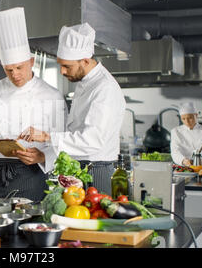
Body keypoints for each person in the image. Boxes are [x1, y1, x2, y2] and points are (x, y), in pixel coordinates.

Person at [0, 7, 67, 202]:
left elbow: (62, 140)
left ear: (31, 61)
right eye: (8, 70)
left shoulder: (52, 96)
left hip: (30, 174)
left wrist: (42, 157)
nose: (15, 75)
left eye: (19, 67)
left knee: (26, 229)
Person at [16, 23, 126, 195]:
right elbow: (74, 131)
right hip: (78, 168)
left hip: (94, 171)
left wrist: (46, 136)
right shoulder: (85, 83)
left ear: (85, 61)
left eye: (67, 66)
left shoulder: (105, 88)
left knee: (94, 221)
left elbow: (93, 141)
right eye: (60, 65)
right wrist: (45, 154)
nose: (62, 71)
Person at [170, 102, 202, 166]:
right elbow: (175, 152)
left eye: (190, 118)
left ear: (196, 115)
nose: (187, 121)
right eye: (183, 119)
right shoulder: (175, 131)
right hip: (184, 168)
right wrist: (184, 160)